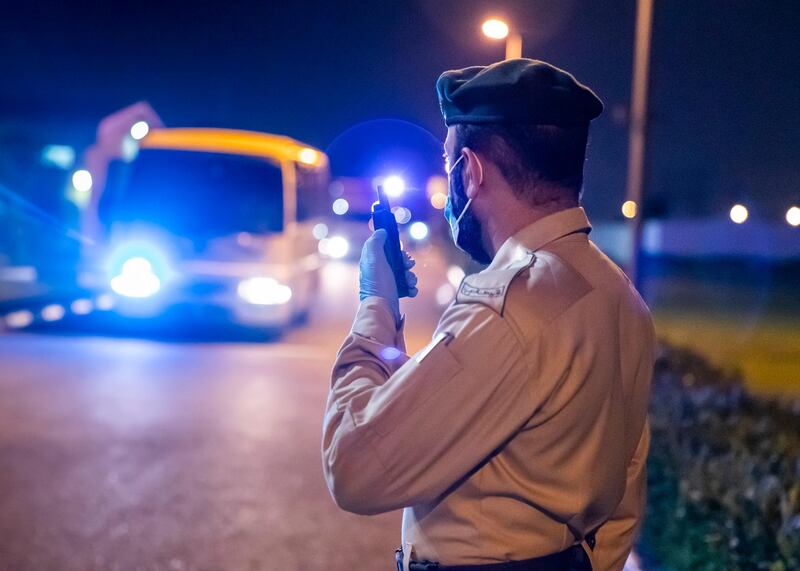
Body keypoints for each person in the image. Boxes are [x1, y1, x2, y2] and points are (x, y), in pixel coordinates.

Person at [322, 58, 655, 571]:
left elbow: (353, 465)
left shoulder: (510, 307)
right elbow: (624, 493)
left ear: (471, 171)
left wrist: (375, 306)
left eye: (449, 161)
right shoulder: (617, 294)